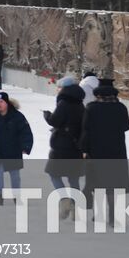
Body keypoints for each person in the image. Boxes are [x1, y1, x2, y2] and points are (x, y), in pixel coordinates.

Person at [79, 78, 129, 224]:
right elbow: (126, 127)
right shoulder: (121, 108)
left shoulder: (91, 108)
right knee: (114, 187)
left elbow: (86, 131)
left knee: (98, 184)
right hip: (117, 151)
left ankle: (99, 214)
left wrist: (84, 150)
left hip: (96, 152)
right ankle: (114, 217)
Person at [44, 76, 86, 218]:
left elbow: (55, 121)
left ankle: (64, 200)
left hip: (61, 145)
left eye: (59, 87)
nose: (57, 90)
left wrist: (48, 116)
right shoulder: (80, 104)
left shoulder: (63, 103)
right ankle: (75, 208)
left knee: (53, 174)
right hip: (76, 146)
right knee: (73, 178)